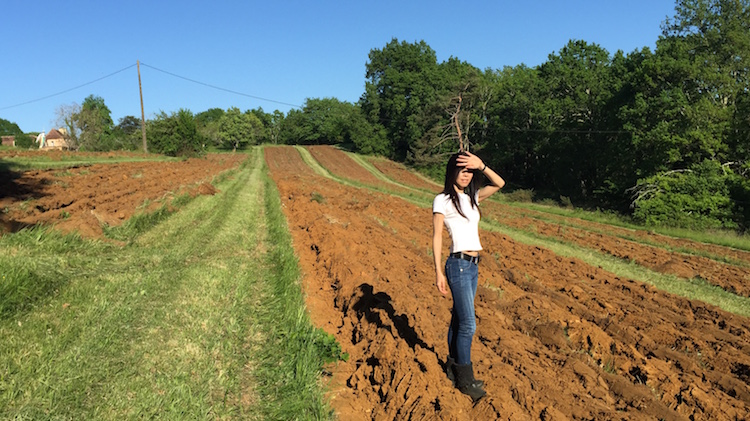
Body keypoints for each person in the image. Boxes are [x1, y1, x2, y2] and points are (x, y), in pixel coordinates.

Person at [432, 151, 505, 401]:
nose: (466, 175)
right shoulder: (442, 200)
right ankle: (466, 379)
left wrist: (481, 165)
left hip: (473, 265)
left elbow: (499, 183)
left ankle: (453, 367)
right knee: (469, 324)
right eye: (462, 170)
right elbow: (437, 236)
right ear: (451, 171)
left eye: (469, 171)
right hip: (458, 265)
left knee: (458, 319)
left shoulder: (473, 197)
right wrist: (438, 271)